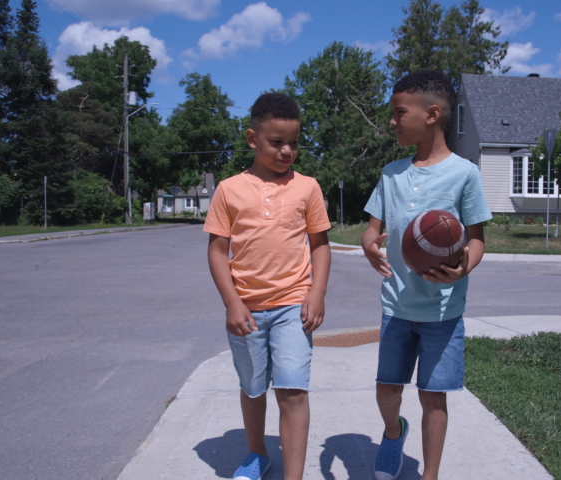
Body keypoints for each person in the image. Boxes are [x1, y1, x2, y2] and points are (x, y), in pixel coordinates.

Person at [360, 70, 491, 480]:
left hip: (443, 312)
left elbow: (478, 240)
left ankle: (428, 474)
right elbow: (371, 228)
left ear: (432, 114)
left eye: (400, 113)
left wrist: (462, 267)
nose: (393, 121)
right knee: (387, 390)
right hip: (397, 305)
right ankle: (392, 431)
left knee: (434, 398)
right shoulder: (391, 172)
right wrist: (368, 244)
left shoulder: (465, 173)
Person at [204, 92, 331, 480]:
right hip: (247, 311)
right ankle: (257, 454)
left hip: (295, 306)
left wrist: (317, 293)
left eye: (293, 141)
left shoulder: (308, 187)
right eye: (276, 142)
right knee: (255, 388)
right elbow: (216, 251)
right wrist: (232, 303)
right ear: (251, 138)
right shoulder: (228, 189)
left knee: (293, 391)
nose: (287, 150)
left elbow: (320, 246)